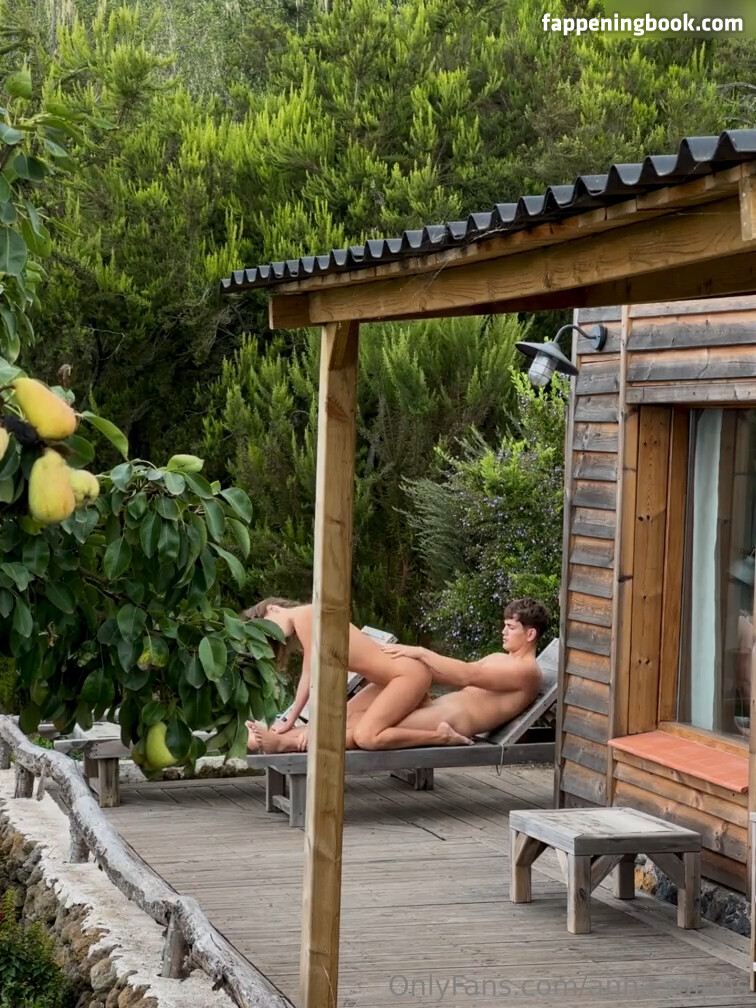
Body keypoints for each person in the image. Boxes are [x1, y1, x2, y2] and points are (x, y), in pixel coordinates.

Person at [245, 597, 550, 754]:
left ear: (531, 634)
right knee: (349, 718)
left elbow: (466, 676)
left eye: (511, 627)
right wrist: (417, 677)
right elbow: (454, 673)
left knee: (364, 734)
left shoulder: (527, 673)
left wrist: (421, 653)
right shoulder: (500, 658)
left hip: (452, 720)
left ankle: (282, 744)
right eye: (504, 625)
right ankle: (276, 737)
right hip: (436, 703)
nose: (503, 631)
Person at [242, 598, 433, 752]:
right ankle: (274, 738)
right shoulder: (305, 619)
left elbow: (315, 676)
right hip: (389, 681)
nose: (273, 634)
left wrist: (314, 725)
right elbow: (308, 675)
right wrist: (290, 720)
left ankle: (439, 736)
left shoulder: (304, 615)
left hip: (406, 677)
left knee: (364, 735)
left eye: (267, 626)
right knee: (342, 721)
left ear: (273, 608)